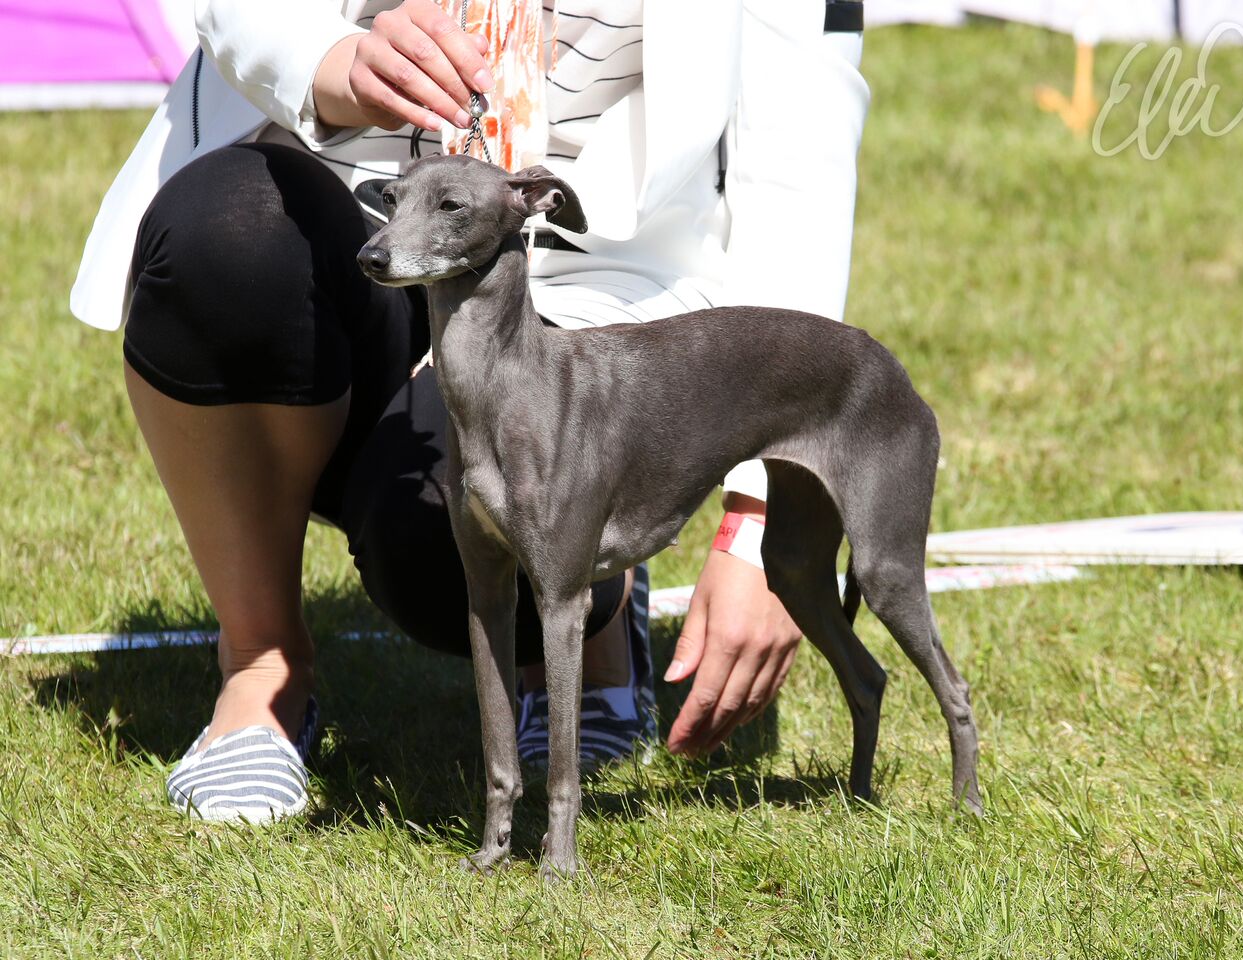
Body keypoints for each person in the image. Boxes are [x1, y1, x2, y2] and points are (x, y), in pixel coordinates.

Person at [71, 0, 870, 821]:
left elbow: (797, 130)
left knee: (441, 546)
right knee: (228, 238)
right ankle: (260, 667)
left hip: (594, 279)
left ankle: (595, 619)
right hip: (338, 218)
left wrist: (760, 518)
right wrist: (334, 62)